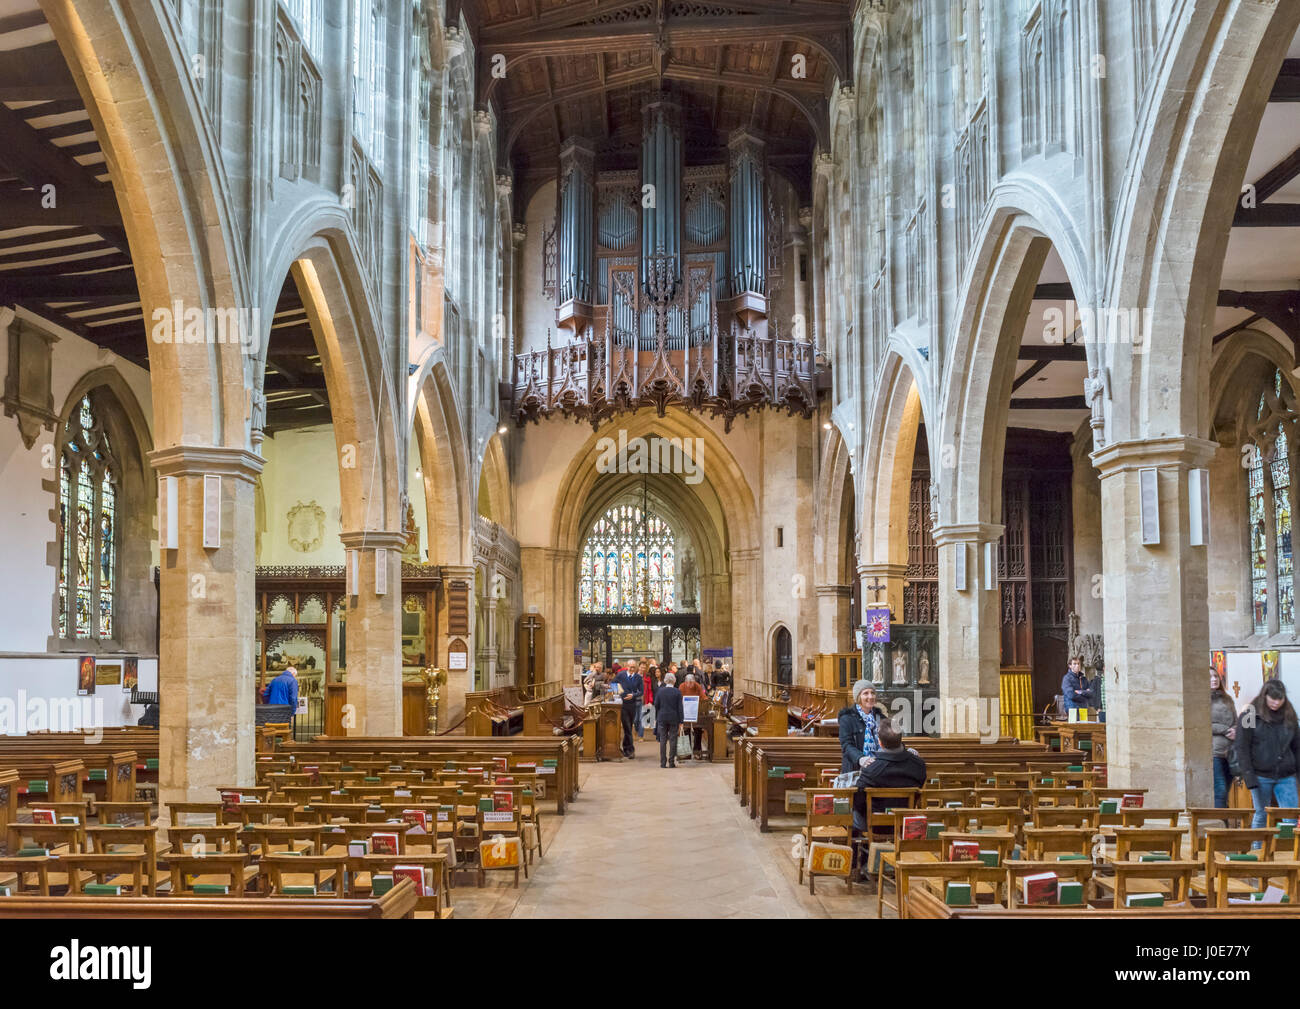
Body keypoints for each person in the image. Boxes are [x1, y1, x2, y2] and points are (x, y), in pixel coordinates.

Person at [852, 722, 926, 877]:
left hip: (876, 824)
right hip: (905, 822)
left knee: (850, 814)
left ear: (879, 741)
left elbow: (858, 801)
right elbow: (918, 792)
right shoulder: (918, 765)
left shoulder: (871, 770)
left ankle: (858, 865)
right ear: (901, 739)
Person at [1237, 678, 1300, 829]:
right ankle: (1258, 850)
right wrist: (1249, 777)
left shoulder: (1289, 714)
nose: (1276, 703)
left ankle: (1289, 851)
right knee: (1261, 814)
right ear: (1264, 696)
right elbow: (1242, 747)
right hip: (1260, 775)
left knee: (1290, 817)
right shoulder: (1249, 714)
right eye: (1273, 699)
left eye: (1280, 699)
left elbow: (1297, 747)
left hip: (1286, 775)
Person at [838, 680, 887, 773]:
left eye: (873, 693)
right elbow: (846, 745)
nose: (870, 696)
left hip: (880, 768)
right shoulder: (847, 719)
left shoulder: (880, 718)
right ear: (858, 697)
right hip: (855, 769)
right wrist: (860, 758)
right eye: (866, 693)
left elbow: (891, 740)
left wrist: (904, 750)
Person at [1211, 668, 1237, 808]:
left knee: (1226, 792)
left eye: (1215, 676)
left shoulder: (1227, 699)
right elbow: (1203, 723)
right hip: (1214, 752)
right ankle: (1220, 826)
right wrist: (1225, 730)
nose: (1214, 679)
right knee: (1219, 791)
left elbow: (1236, 719)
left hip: (1230, 752)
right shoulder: (1201, 700)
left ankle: (1223, 826)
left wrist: (1236, 730)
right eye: (1209, 677)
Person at [655, 672, 685, 768]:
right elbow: (680, 708)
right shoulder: (677, 692)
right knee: (673, 740)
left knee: (663, 740)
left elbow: (656, 704)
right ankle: (671, 762)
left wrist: (659, 713)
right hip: (674, 718)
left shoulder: (660, 691)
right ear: (674, 681)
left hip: (662, 717)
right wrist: (681, 721)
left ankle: (663, 763)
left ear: (665, 680)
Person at [614, 663, 643, 758]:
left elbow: (641, 691)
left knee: (629, 727)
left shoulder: (638, 677)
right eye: (630, 667)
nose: (632, 669)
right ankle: (631, 750)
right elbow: (613, 683)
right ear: (627, 667)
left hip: (632, 704)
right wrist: (618, 694)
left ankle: (626, 748)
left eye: (634, 667)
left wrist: (633, 695)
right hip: (623, 705)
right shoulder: (621, 675)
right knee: (627, 726)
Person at [680, 672, 709, 757]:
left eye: (691, 683)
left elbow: (703, 696)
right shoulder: (682, 686)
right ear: (685, 682)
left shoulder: (697, 686)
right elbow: (679, 698)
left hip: (696, 712)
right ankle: (687, 752)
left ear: (694, 682)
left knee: (698, 731)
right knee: (686, 731)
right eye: (688, 683)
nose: (690, 685)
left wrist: (705, 700)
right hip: (685, 712)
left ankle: (697, 752)